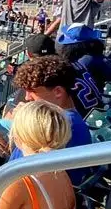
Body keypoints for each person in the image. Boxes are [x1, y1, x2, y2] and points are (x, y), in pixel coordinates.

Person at [7, 56, 93, 184]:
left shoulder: (58, 125)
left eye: (32, 91)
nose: (27, 97)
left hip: (22, 190)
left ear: (58, 92)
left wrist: (22, 122)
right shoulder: (67, 119)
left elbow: (24, 172)